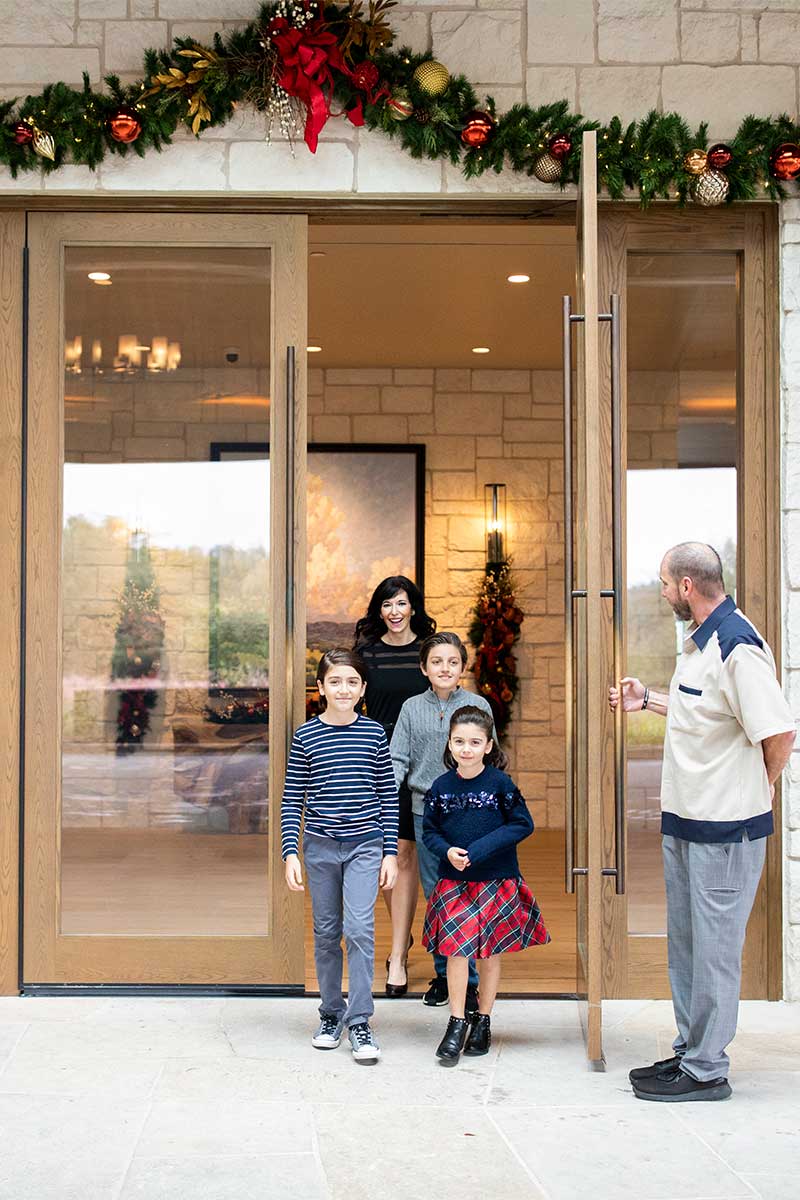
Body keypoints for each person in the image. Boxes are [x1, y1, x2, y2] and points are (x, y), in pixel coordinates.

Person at [609, 542, 795, 1102]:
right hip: (686, 824)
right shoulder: (701, 643)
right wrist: (648, 701)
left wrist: (756, 790)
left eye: (665, 582)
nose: (663, 590)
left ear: (687, 586)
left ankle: (708, 1071)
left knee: (713, 951)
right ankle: (692, 1052)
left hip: (724, 831)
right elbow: (707, 710)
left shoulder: (738, 644)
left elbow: (780, 733)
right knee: (688, 944)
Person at [282, 647, 399, 1064]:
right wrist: (290, 851)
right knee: (327, 932)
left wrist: (389, 852)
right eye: (335, 681)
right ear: (321, 688)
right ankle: (331, 1014)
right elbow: (292, 795)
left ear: (363, 688)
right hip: (320, 847)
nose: (343, 688)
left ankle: (361, 1019)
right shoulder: (306, 737)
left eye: (352, 681)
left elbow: (388, 795)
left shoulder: (373, 734)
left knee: (360, 929)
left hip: (366, 845)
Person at [422, 706, 549, 1065]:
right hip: (455, 882)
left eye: (474, 742)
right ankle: (457, 1021)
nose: (466, 749)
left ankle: (483, 1020)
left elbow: (522, 825)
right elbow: (429, 831)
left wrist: (479, 850)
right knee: (457, 952)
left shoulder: (500, 786)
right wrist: (447, 851)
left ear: (488, 746)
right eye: (459, 741)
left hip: (495, 880)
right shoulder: (441, 787)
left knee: (490, 954)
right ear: (449, 743)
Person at [391, 632, 495, 1011]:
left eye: (452, 661)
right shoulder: (410, 708)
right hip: (425, 813)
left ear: (462, 667)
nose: (445, 668)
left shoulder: (478, 704)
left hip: (471, 813)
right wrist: (387, 793)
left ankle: (468, 984)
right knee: (439, 896)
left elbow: (491, 755)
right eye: (436, 662)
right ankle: (443, 975)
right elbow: (398, 759)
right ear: (424, 668)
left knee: (470, 892)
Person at [354, 576, 436, 997]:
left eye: (401, 602)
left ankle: (402, 950)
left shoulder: (429, 649)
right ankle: (399, 945)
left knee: (418, 856)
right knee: (395, 852)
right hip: (379, 758)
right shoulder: (366, 653)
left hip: (424, 759)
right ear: (379, 610)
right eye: (387, 604)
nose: (394, 611)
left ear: (413, 607)